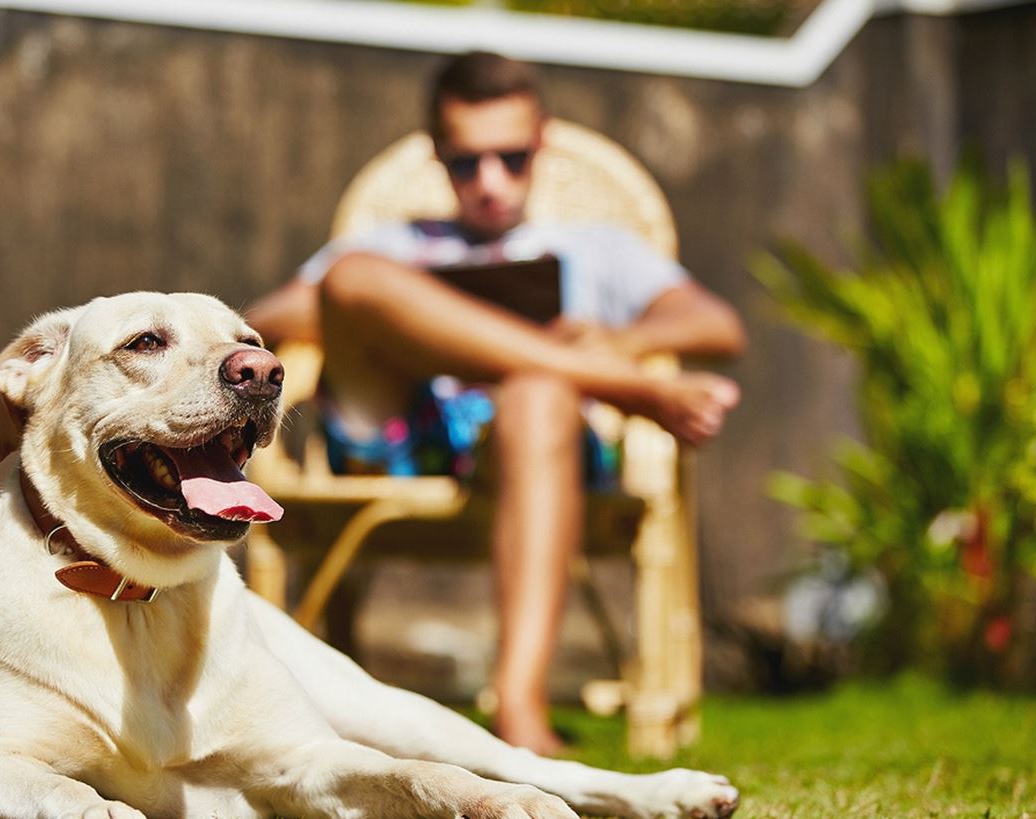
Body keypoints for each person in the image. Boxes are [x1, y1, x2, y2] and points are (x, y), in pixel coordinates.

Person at [246, 51, 745, 754]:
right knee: (356, 276)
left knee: (539, 392)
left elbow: (715, 326)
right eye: (465, 163)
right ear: (437, 157)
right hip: (403, 432)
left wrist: (616, 341)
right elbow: (266, 318)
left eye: (510, 158)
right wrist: (411, 307)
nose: (489, 183)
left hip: (545, 446)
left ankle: (517, 709)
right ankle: (615, 390)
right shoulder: (392, 245)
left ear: (540, 143)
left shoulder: (598, 249)